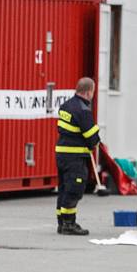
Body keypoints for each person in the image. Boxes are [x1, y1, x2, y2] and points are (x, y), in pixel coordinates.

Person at [55, 77, 101, 235]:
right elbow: (92, 137)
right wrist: (94, 142)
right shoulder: (83, 110)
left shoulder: (65, 106)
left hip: (62, 154)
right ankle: (69, 223)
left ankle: (62, 222)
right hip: (75, 156)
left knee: (64, 188)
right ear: (89, 92)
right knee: (74, 188)